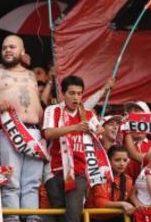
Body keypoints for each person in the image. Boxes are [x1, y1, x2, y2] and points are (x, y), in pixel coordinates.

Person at [0, 35, 44, 222]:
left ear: (22, 51)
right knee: (11, 183)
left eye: (12, 47)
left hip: (34, 132)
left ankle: (32, 219)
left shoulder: (31, 74)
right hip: (9, 131)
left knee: (32, 184)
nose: (7, 50)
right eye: (4, 47)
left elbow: (38, 105)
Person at [43, 75, 101, 222]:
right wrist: (74, 127)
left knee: (73, 214)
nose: (76, 98)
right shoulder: (53, 110)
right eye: (71, 93)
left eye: (79, 93)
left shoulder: (86, 114)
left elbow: (100, 132)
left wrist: (96, 130)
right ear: (63, 94)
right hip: (55, 170)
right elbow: (48, 133)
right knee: (59, 216)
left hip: (78, 171)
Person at [85, 145, 134, 222]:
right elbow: (99, 202)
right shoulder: (100, 175)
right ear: (108, 160)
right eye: (117, 160)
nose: (122, 164)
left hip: (115, 218)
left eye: (125, 160)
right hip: (94, 218)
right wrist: (121, 204)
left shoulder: (128, 180)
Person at [123, 101, 151, 181]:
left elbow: (137, 156)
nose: (137, 124)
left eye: (141, 120)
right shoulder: (118, 141)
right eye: (133, 121)